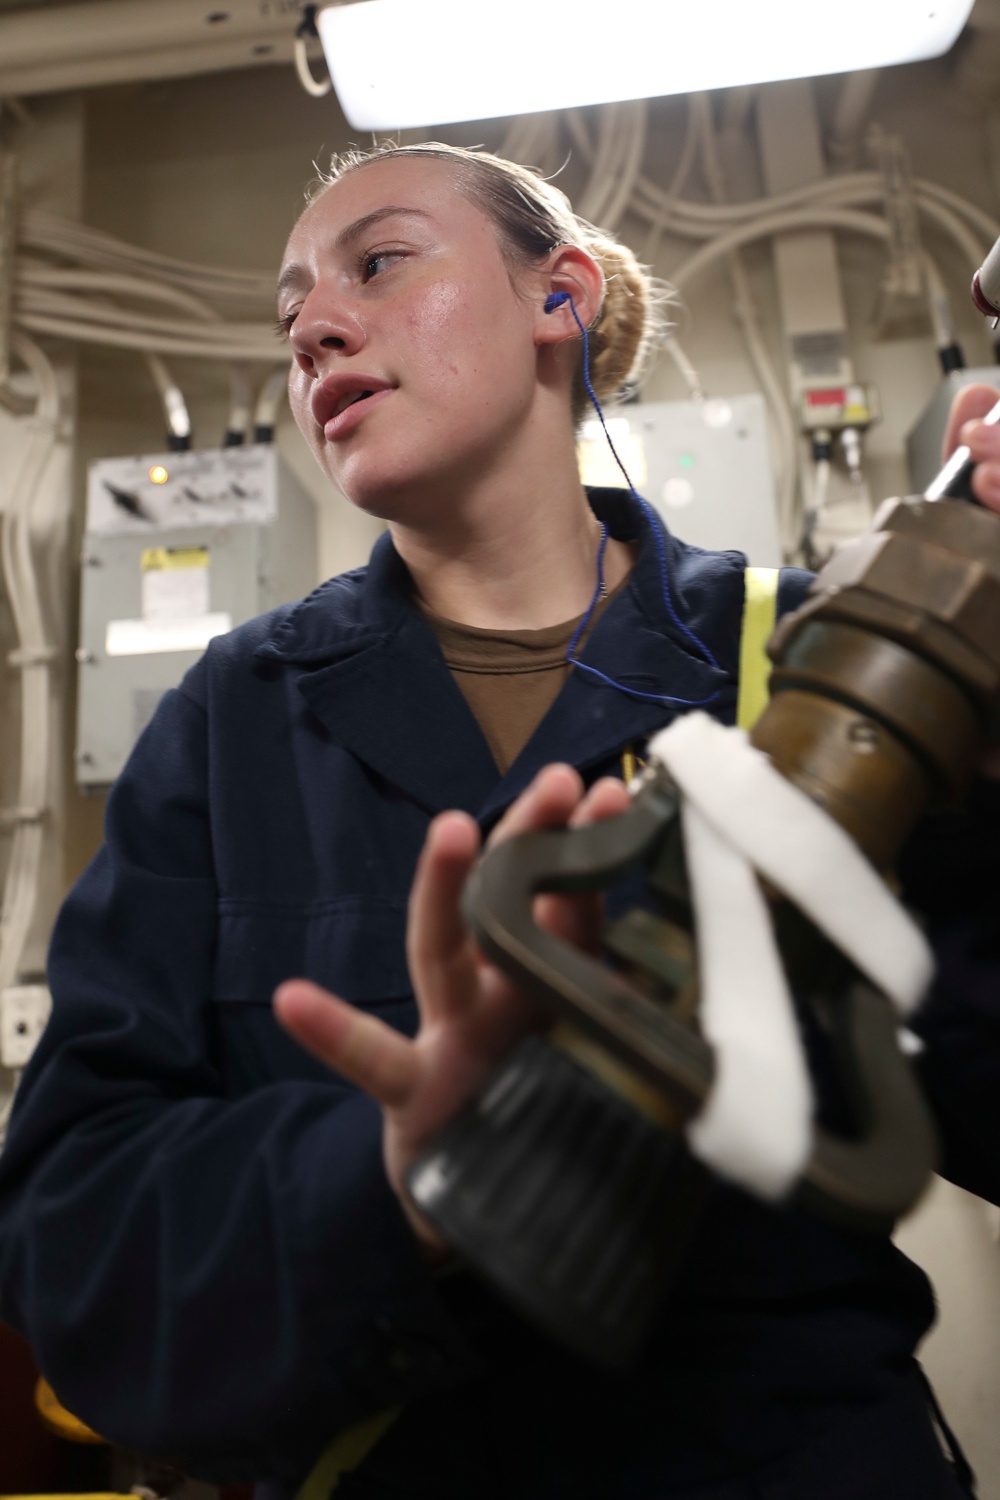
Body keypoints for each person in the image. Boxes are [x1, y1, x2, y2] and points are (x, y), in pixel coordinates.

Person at [0, 140, 999, 1500]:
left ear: (561, 298)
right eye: (291, 315)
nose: (315, 329)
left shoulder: (813, 660)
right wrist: (393, 1179)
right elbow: (73, 1243)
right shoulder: (234, 719)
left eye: (378, 264)